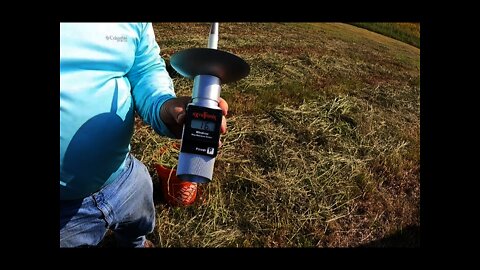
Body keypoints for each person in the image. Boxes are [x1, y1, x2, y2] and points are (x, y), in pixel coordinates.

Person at [60, 23, 228, 248]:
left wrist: (164, 107)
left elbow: (144, 69)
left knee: (138, 226)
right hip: (64, 214)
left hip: (126, 176)